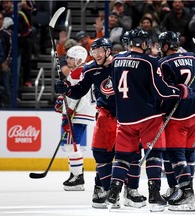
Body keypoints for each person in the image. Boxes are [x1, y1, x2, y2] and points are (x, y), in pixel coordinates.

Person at [55, 38, 146, 209]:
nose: (96, 55)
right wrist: (66, 89)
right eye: (93, 52)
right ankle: (104, 190)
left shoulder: (123, 63)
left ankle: (131, 190)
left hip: (127, 116)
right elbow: (79, 90)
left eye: (99, 51)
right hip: (105, 116)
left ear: (108, 50)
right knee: (102, 154)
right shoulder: (90, 69)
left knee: (133, 155)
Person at [107, 28, 190, 212]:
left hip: (124, 118)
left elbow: (111, 88)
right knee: (154, 155)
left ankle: (113, 194)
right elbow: (160, 91)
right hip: (148, 117)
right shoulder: (149, 61)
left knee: (122, 157)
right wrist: (179, 91)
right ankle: (154, 195)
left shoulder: (117, 59)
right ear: (143, 43)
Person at [158, 31, 195, 211]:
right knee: (189, 151)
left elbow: (163, 89)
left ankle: (185, 193)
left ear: (167, 45)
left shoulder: (163, 63)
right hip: (194, 111)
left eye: (161, 45)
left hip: (176, 113)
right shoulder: (193, 58)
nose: (160, 48)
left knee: (173, 153)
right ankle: (177, 189)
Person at [54, 45, 96, 191]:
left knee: (71, 145)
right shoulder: (78, 71)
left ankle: (78, 178)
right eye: (67, 57)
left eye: (71, 58)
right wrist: (62, 96)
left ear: (79, 60)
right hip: (80, 112)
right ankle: (75, 174)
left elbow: (77, 95)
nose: (68, 60)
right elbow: (70, 91)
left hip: (78, 113)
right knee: (71, 144)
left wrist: (68, 112)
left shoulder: (79, 71)